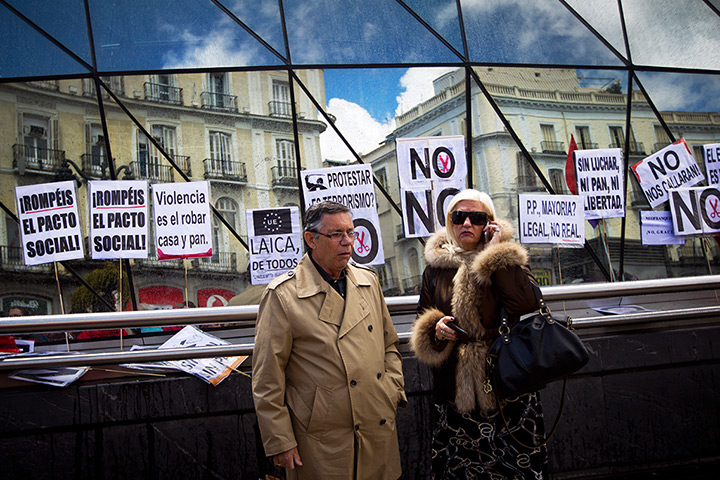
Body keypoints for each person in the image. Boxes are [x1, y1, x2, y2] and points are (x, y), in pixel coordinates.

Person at [252, 201, 407, 480]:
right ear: (311, 240)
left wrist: (391, 390)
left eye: (351, 232)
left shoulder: (369, 281)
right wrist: (281, 441)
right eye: (336, 234)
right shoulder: (283, 296)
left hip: (377, 425)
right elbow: (267, 378)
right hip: (321, 439)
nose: (347, 242)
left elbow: (389, 345)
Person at [410, 189, 547, 479]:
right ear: (450, 222)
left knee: (514, 468)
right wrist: (436, 329)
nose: (467, 224)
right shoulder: (435, 268)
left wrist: (494, 254)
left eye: (477, 217)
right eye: (459, 217)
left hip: (506, 384)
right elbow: (423, 316)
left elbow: (526, 302)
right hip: (455, 388)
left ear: (490, 222)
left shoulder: (507, 258)